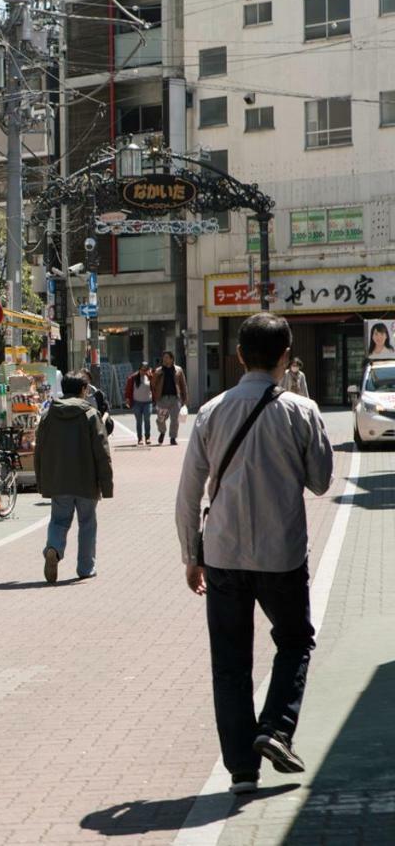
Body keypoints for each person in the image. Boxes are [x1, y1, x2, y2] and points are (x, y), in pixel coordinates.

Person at [175, 313, 333, 796]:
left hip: (222, 553)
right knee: (294, 639)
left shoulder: (211, 411)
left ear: (239, 356)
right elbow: (321, 481)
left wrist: (190, 554)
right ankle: (276, 728)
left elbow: (188, 492)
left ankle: (242, 768)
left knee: (229, 660)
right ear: (285, 357)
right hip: (280, 552)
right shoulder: (302, 411)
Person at [34, 372, 114, 584]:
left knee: (59, 520)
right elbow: (101, 451)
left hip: (59, 479)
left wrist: (41, 479)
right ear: (83, 390)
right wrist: (106, 484)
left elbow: (39, 449)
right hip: (86, 479)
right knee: (87, 522)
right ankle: (85, 567)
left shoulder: (49, 414)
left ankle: (54, 548)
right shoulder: (90, 414)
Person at [152, 351, 189, 445]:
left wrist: (185, 398)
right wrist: (157, 375)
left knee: (175, 419)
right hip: (162, 399)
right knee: (160, 419)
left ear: (172, 359)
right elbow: (153, 384)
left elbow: (183, 385)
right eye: (164, 357)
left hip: (175, 398)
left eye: (167, 357)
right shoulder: (158, 370)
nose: (165, 359)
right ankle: (162, 431)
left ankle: (173, 438)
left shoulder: (178, 370)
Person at [124, 362, 155, 445]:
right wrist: (127, 399)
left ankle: (147, 437)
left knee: (147, 419)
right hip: (137, 403)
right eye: (142, 369)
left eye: (145, 370)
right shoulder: (133, 378)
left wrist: (151, 375)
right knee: (139, 421)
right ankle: (140, 438)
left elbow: (155, 387)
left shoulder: (150, 377)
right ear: (139, 369)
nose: (143, 371)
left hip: (147, 402)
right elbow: (128, 389)